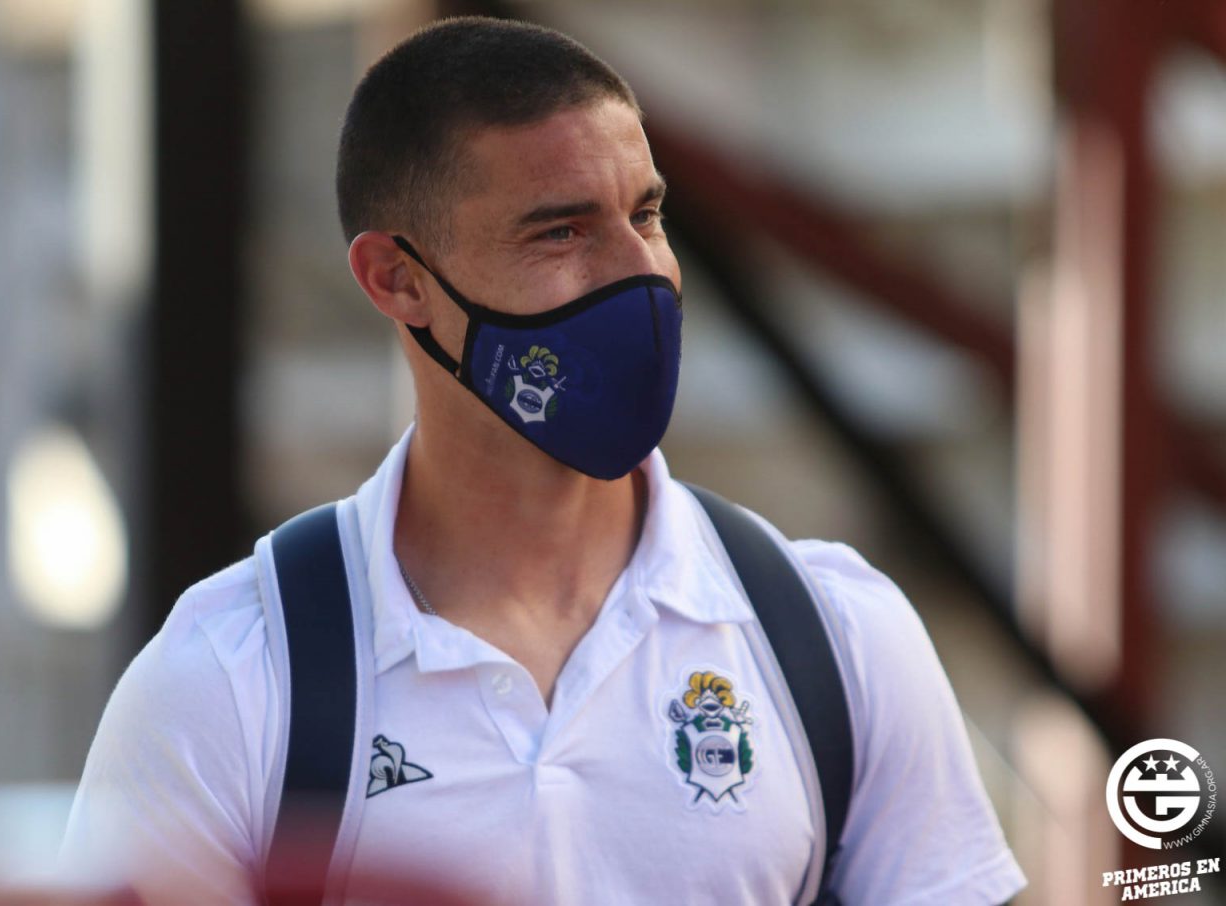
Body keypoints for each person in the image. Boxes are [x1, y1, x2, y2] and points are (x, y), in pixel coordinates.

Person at [61, 16, 1027, 905]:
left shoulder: (833, 635)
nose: (643, 273)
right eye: (560, 231)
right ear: (398, 280)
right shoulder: (233, 677)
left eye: (646, 215)